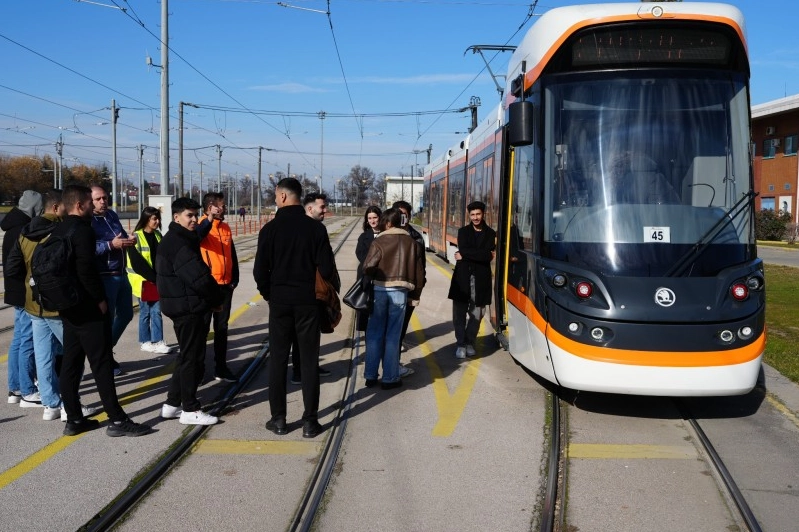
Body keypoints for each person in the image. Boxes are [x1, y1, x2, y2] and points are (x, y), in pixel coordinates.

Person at [54, 184, 152, 437]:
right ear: (80, 205)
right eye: (90, 202)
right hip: (87, 306)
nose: (94, 205)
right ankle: (117, 420)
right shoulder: (83, 230)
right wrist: (99, 299)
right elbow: (87, 270)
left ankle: (74, 419)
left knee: (71, 363)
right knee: (102, 362)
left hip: (68, 305)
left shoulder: (60, 227)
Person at [254, 178, 337, 438]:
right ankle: (310, 422)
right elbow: (326, 270)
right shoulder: (315, 230)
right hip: (307, 303)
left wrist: (270, 294)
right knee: (309, 360)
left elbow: (259, 272)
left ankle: (278, 419)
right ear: (299, 198)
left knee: (278, 360)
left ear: (281, 197)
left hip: (279, 302)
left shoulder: (269, 230)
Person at [156, 197, 224, 426]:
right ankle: (190, 408)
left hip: (182, 305)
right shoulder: (178, 243)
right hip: (188, 308)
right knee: (192, 359)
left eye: (196, 215)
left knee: (186, 355)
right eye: (189, 215)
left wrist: (208, 220)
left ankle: (172, 404)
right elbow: (199, 278)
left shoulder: (179, 237)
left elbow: (198, 235)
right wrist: (217, 299)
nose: (194, 219)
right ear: (176, 217)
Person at [362, 208, 425, 390]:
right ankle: (390, 378)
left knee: (374, 334)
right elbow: (419, 273)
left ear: (388, 223)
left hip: (380, 289)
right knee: (393, 336)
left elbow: (367, 266)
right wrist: (415, 295)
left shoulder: (379, 240)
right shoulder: (412, 243)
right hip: (401, 292)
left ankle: (370, 376)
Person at [289, 192, 336, 384]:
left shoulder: (300, 227)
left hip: (298, 289)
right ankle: (302, 371)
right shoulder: (315, 230)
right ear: (310, 208)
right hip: (310, 290)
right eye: (322, 207)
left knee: (307, 333)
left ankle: (306, 368)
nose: (325, 210)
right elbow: (324, 265)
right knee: (305, 334)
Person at [2, 190, 43, 406]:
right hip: (24, 290)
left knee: (18, 339)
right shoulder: (23, 230)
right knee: (27, 339)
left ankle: (15, 388)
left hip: (14, 290)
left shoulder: (11, 227)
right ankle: (27, 389)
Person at [90, 185, 136, 376]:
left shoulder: (112, 215)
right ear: (89, 201)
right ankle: (103, 358)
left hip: (121, 272)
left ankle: (107, 348)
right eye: (98, 199)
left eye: (105, 197)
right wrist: (111, 244)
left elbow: (121, 237)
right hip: (105, 275)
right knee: (106, 320)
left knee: (126, 314)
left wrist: (128, 240)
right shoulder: (88, 221)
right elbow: (89, 248)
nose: (103, 201)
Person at [198, 192, 239, 383]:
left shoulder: (226, 227)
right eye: (220, 206)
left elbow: (232, 253)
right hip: (208, 287)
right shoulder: (200, 225)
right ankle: (198, 369)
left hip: (225, 287)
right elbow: (195, 239)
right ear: (209, 207)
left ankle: (221, 367)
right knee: (202, 329)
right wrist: (209, 219)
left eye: (223, 205)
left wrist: (234, 279)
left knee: (221, 329)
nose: (223, 208)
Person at [448, 201, 496, 359]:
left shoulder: (490, 233)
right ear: (469, 215)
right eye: (473, 215)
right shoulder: (463, 232)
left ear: (483, 214)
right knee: (459, 313)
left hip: (481, 279)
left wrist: (466, 255)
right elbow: (480, 254)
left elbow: (486, 255)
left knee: (479, 312)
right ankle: (460, 344)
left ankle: (469, 342)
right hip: (463, 278)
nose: (475, 217)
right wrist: (481, 255)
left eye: (478, 214)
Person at [126, 207, 170, 355]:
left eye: (158, 219)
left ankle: (152, 341)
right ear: (146, 219)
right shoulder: (136, 237)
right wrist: (155, 278)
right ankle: (150, 341)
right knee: (148, 312)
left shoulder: (158, 235)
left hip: (154, 281)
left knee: (154, 312)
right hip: (143, 282)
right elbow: (137, 263)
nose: (157, 222)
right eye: (154, 219)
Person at [392, 200, 426, 374]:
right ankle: (377, 368)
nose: (401, 217)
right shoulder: (385, 233)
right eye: (398, 214)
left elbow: (421, 268)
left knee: (400, 330)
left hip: (408, 290)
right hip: (385, 291)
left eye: (404, 214)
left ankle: (393, 364)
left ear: (410, 216)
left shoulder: (416, 236)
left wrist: (417, 293)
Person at [354, 206, 381, 332]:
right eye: (369, 218)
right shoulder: (363, 236)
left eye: (375, 217)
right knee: (365, 303)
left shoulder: (386, 235)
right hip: (366, 274)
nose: (372, 221)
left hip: (382, 275)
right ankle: (365, 329)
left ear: (380, 218)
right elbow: (360, 253)